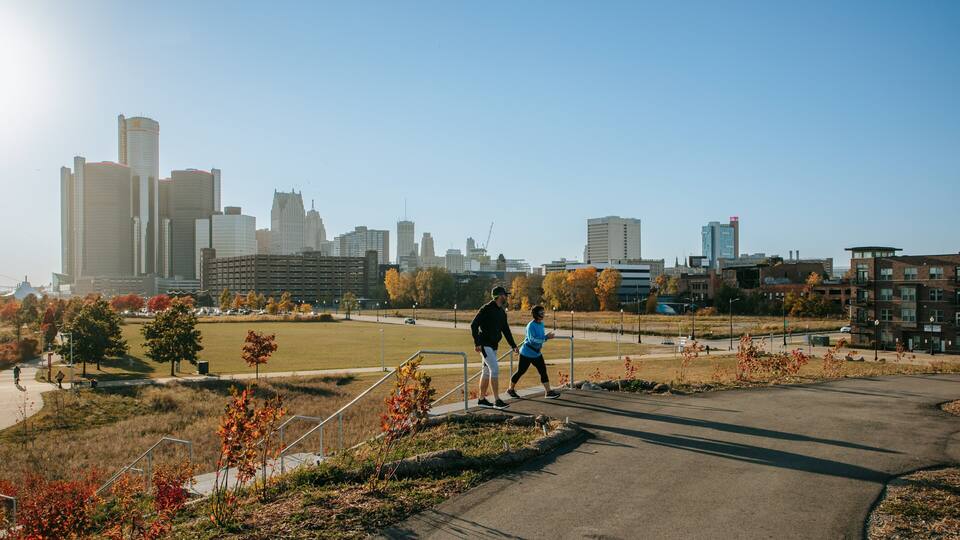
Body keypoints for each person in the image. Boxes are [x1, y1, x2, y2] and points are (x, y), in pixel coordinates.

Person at [470, 285, 518, 409]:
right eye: (505, 295)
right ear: (499, 296)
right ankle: (497, 400)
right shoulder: (486, 309)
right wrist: (477, 343)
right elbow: (473, 325)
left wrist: (513, 345)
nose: (506, 297)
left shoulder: (502, 312)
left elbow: (506, 330)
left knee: (486, 372)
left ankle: (481, 399)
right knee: (495, 369)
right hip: (485, 345)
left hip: (494, 346)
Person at [507, 305, 561, 399]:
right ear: (536, 314)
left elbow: (540, 337)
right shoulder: (530, 325)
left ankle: (548, 392)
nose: (543, 314)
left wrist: (545, 337)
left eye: (543, 312)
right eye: (541, 313)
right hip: (526, 353)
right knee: (520, 371)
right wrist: (546, 337)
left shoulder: (541, 324)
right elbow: (533, 340)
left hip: (537, 353)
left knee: (543, 371)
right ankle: (510, 390)